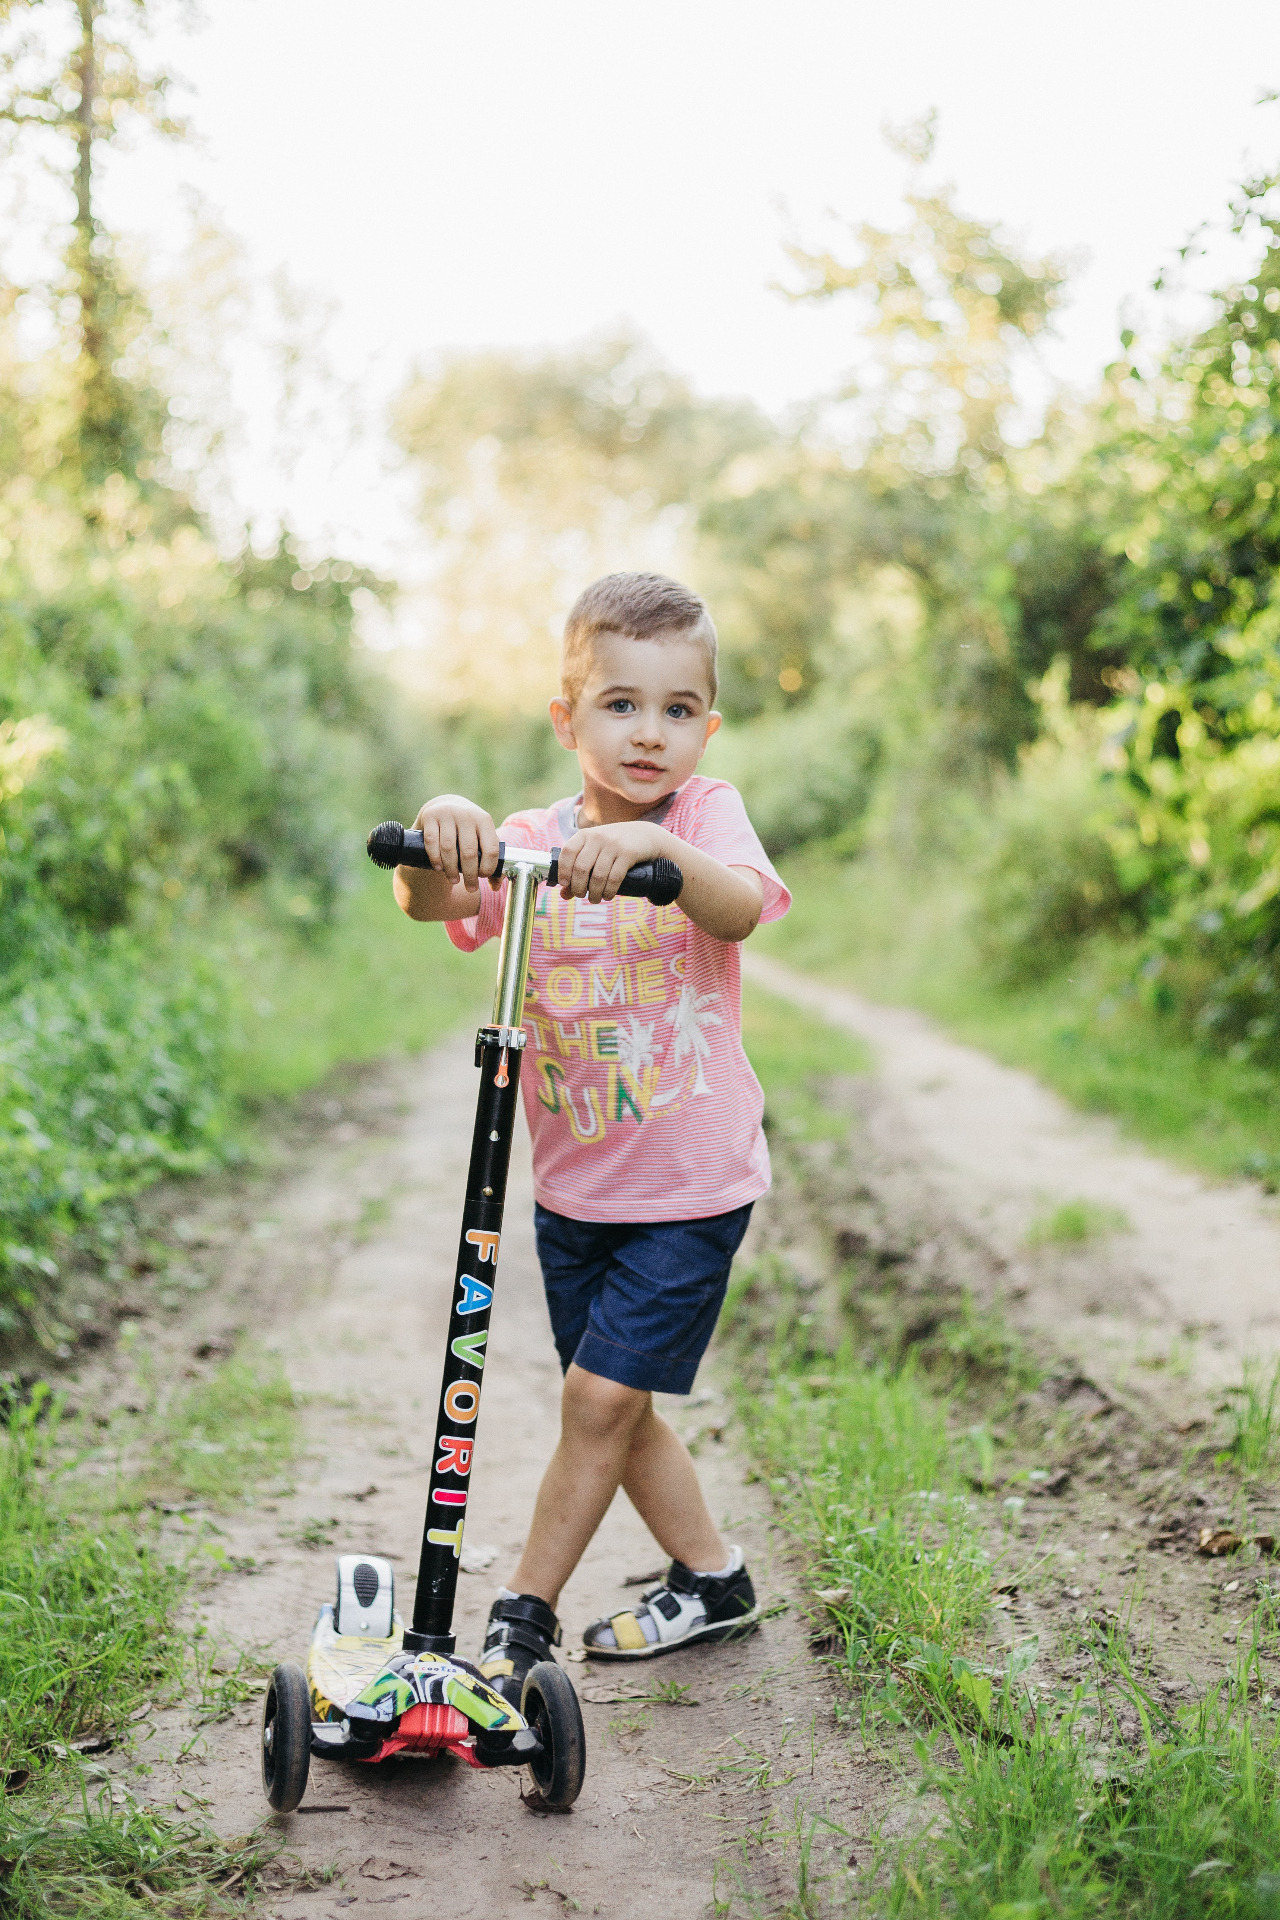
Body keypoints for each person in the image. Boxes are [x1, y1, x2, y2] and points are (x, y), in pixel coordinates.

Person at [392, 571, 790, 1705]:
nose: (648, 733)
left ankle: (519, 1622)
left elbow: (739, 904)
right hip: (576, 1193)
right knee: (617, 1405)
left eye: (677, 710)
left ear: (706, 727)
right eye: (619, 705)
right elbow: (429, 902)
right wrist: (440, 830)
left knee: (597, 1404)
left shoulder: (704, 819)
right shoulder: (532, 840)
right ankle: (713, 1582)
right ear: (566, 719)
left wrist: (658, 864)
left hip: (689, 1184)